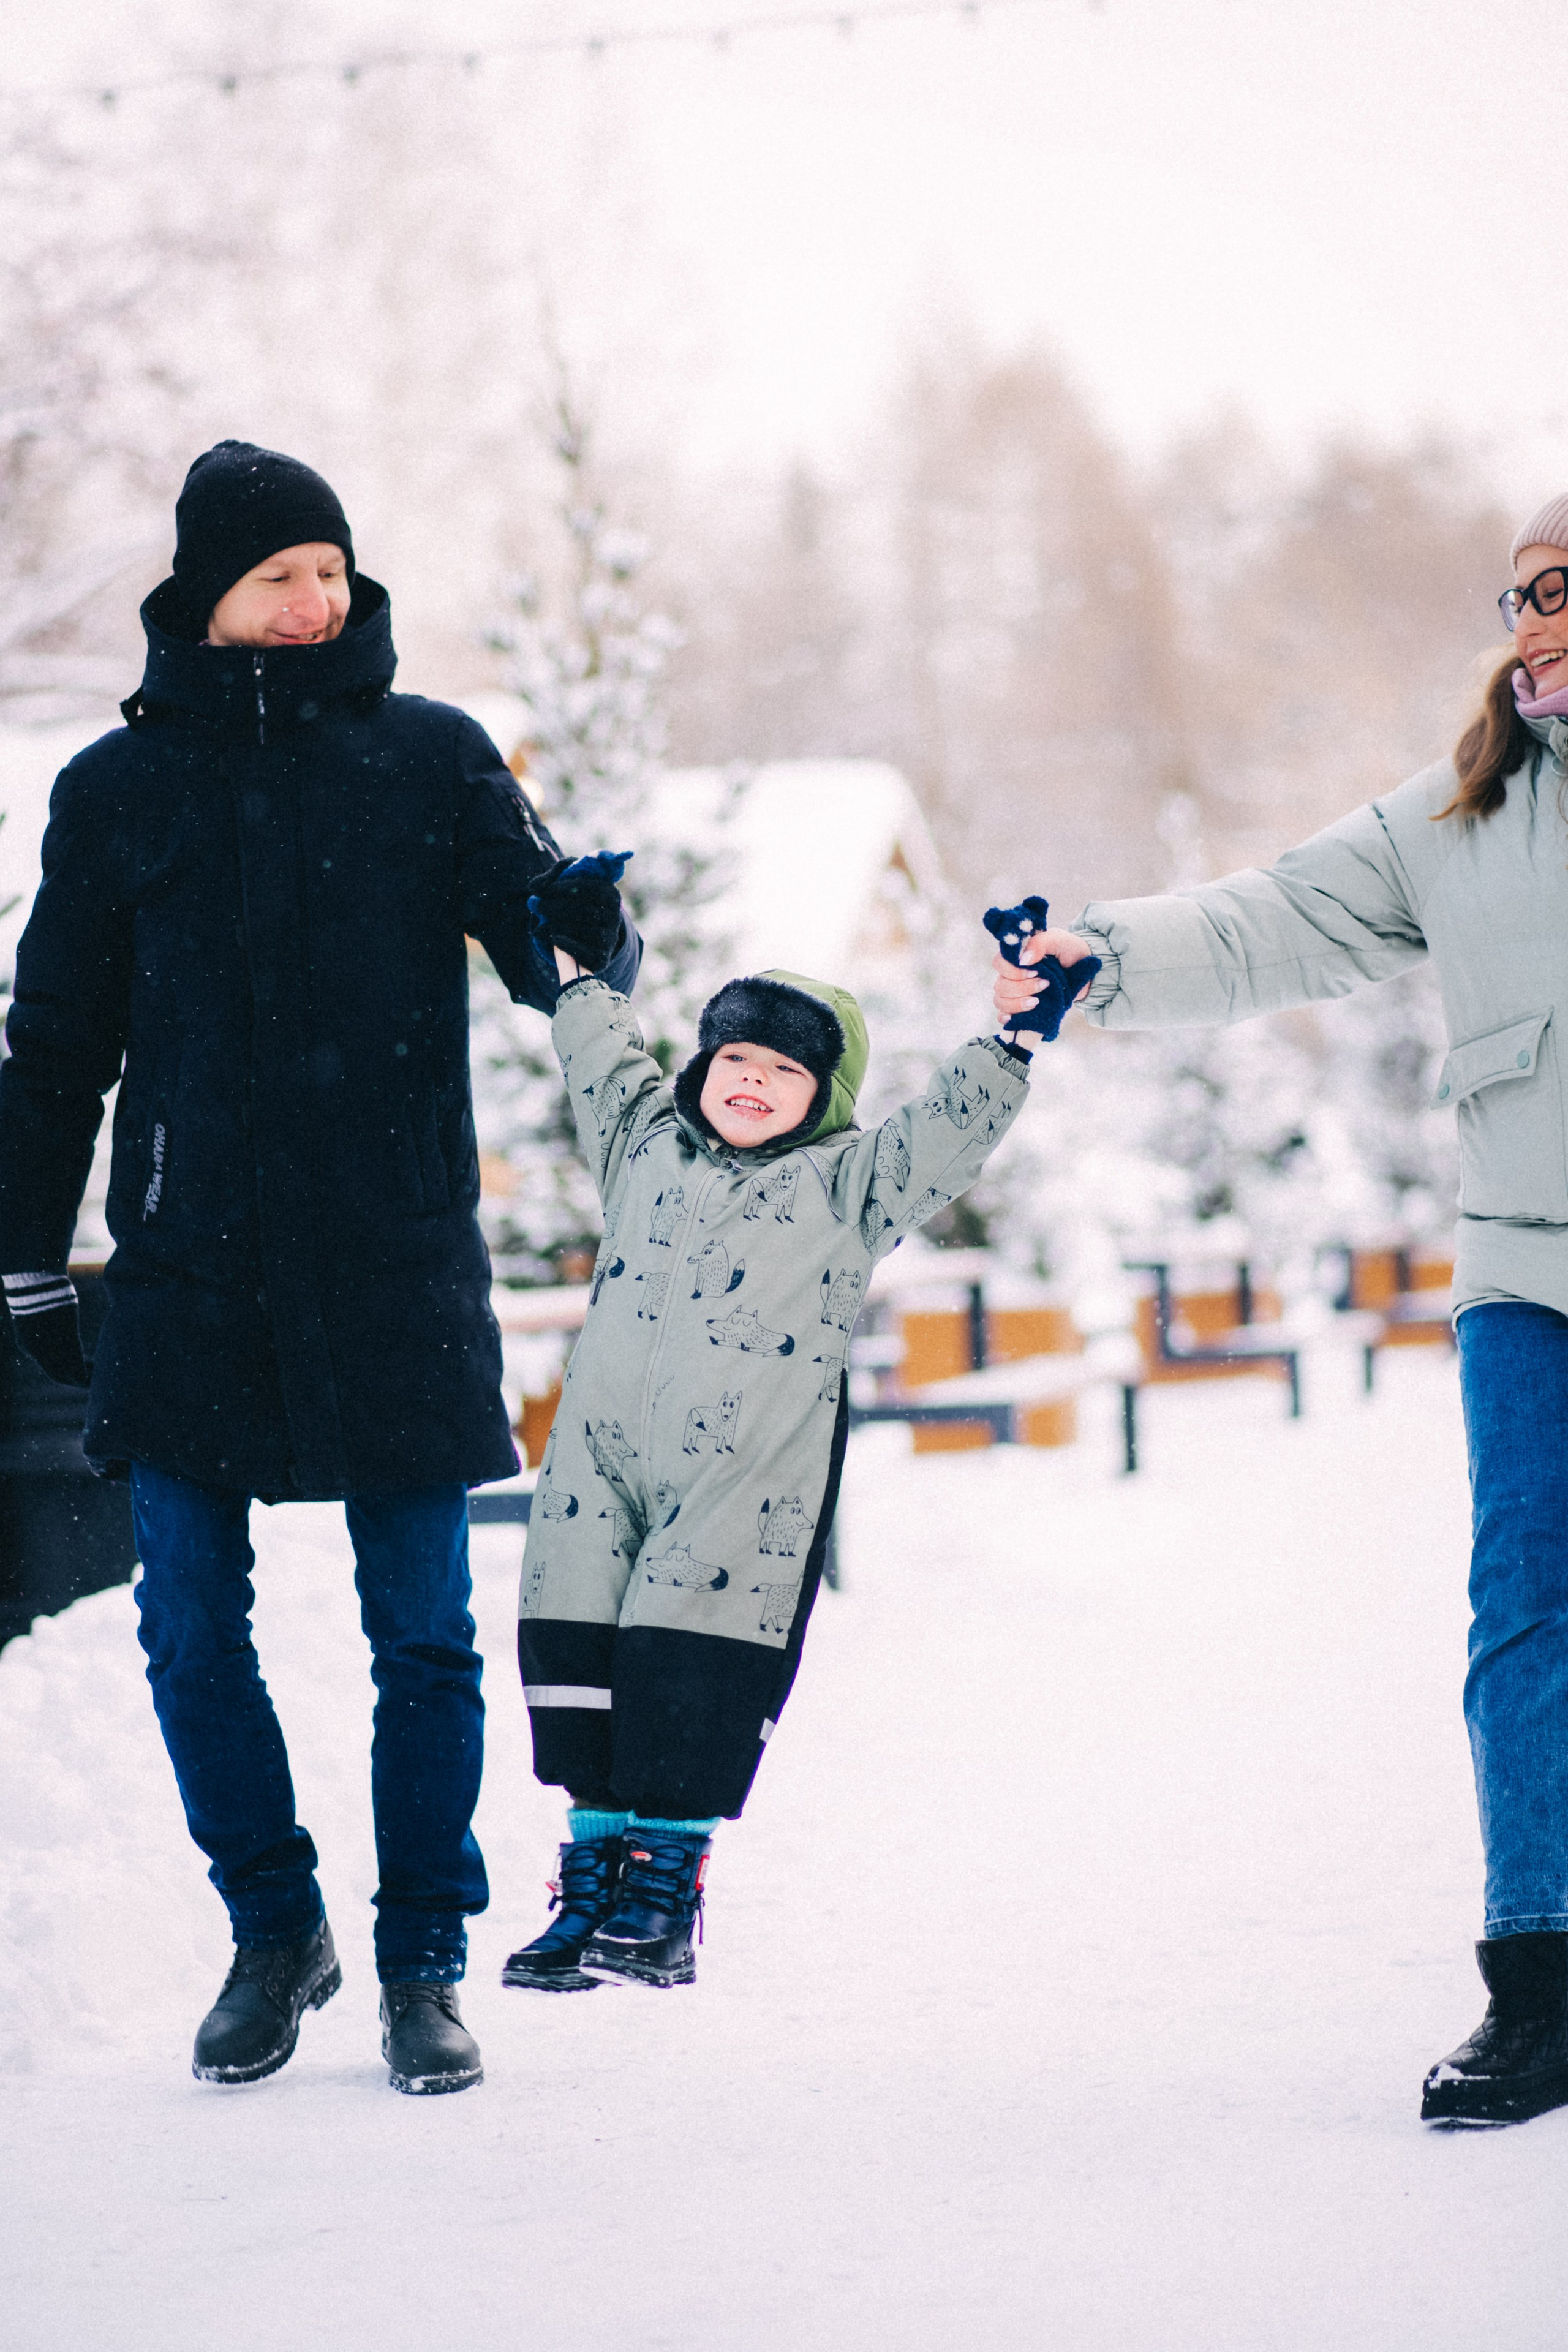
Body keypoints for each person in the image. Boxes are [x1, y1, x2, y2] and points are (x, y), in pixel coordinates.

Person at [0, 440, 640, 2095]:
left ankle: (423, 1960)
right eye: (278, 575)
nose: (311, 601)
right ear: (206, 594)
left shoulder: (433, 757)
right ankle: (272, 1928)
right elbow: (54, 1045)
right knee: (188, 1631)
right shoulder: (117, 788)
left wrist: (582, 925)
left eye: (330, 573)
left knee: (421, 1638)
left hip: (392, 1264)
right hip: (190, 1271)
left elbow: (541, 948)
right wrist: (25, 1254)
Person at [992, 493, 1568, 2128]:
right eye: (1523, 592)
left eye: (1564, 588)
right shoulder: (1467, 808)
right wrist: (1100, 955)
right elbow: (1278, 917)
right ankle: (1540, 1982)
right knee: (1526, 1608)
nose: (1536, 617)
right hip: (1527, 1269)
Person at [500, 904, 1054, 1993]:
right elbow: (604, 1066)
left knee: (687, 1672)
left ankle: (663, 1896)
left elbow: (943, 1130)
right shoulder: (643, 1148)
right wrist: (579, 973)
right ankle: (593, 1888)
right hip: (596, 1470)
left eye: (786, 1070)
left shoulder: (850, 1186)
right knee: (581, 1660)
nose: (752, 1079)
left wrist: (1013, 1040)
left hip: (742, 1484)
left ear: (825, 1097)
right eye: (736, 1058)